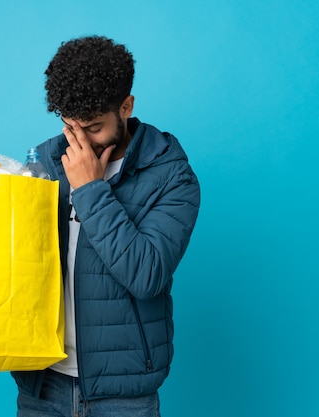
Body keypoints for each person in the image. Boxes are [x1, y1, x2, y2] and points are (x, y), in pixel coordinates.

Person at [12, 35, 201, 417]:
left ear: (126, 106)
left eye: (94, 127)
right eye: (70, 127)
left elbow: (147, 275)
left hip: (124, 392)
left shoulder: (171, 176)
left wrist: (90, 189)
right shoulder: (45, 161)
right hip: (42, 384)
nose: (80, 141)